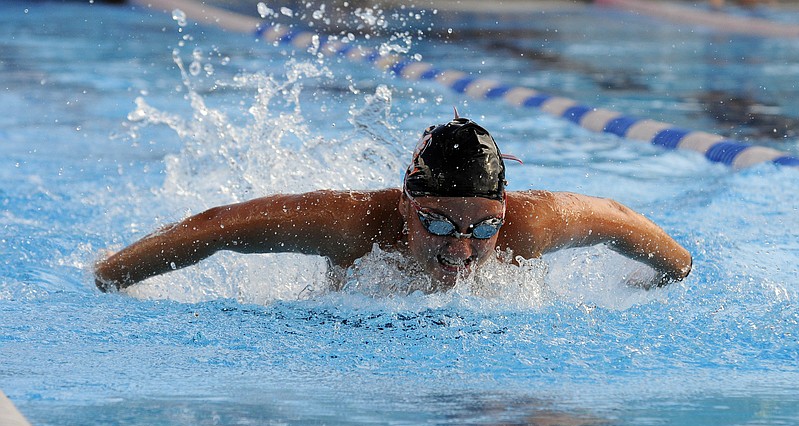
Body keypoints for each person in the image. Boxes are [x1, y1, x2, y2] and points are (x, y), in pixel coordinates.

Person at [94, 115, 692, 292]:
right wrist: (108, 277)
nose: (461, 250)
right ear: (408, 204)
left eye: (482, 229)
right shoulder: (350, 225)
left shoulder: (531, 225)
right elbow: (216, 227)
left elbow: (626, 224)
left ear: (504, 210)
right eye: (437, 223)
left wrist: (669, 278)